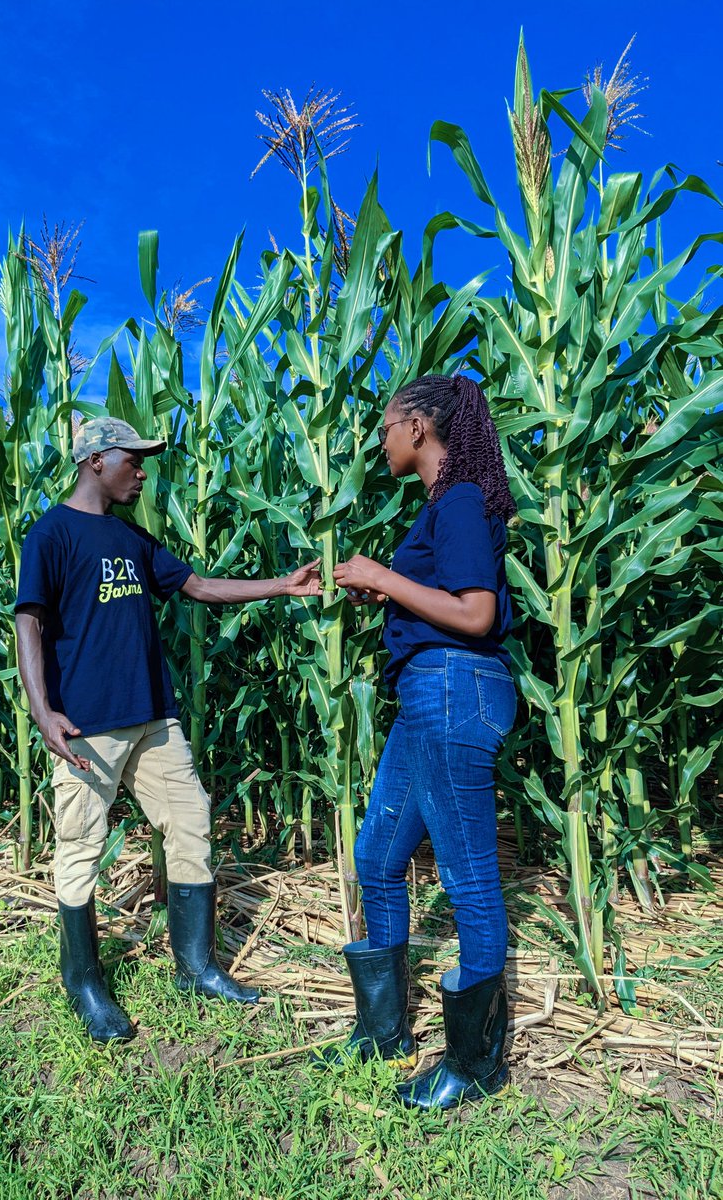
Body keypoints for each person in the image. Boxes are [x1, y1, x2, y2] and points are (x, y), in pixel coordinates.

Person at [15, 416, 321, 1043]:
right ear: (96, 459)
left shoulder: (133, 539)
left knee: (191, 822)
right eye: (134, 459)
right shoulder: (50, 535)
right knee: (79, 848)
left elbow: (199, 586)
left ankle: (197, 966)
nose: (144, 471)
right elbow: (29, 624)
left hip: (154, 715)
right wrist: (43, 711)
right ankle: (83, 981)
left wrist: (282, 587)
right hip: (87, 726)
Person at [329, 374, 517, 1111]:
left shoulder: (462, 498)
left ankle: (475, 1067)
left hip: (453, 690)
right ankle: (383, 1031)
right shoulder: (444, 507)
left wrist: (381, 573)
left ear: (418, 426)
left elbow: (474, 614)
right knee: (377, 857)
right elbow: (443, 599)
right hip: (425, 695)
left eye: (385, 425)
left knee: (468, 879)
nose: (380, 439)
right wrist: (389, 589)